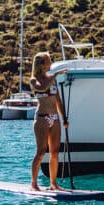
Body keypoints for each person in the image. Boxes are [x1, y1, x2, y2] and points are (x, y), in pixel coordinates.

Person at [29, 51, 68, 191]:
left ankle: (53, 184)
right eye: (48, 61)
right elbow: (42, 87)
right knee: (41, 152)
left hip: (55, 118)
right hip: (42, 118)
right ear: (41, 64)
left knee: (55, 152)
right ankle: (34, 184)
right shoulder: (34, 80)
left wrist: (64, 118)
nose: (51, 63)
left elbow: (58, 100)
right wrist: (55, 74)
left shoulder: (52, 79)